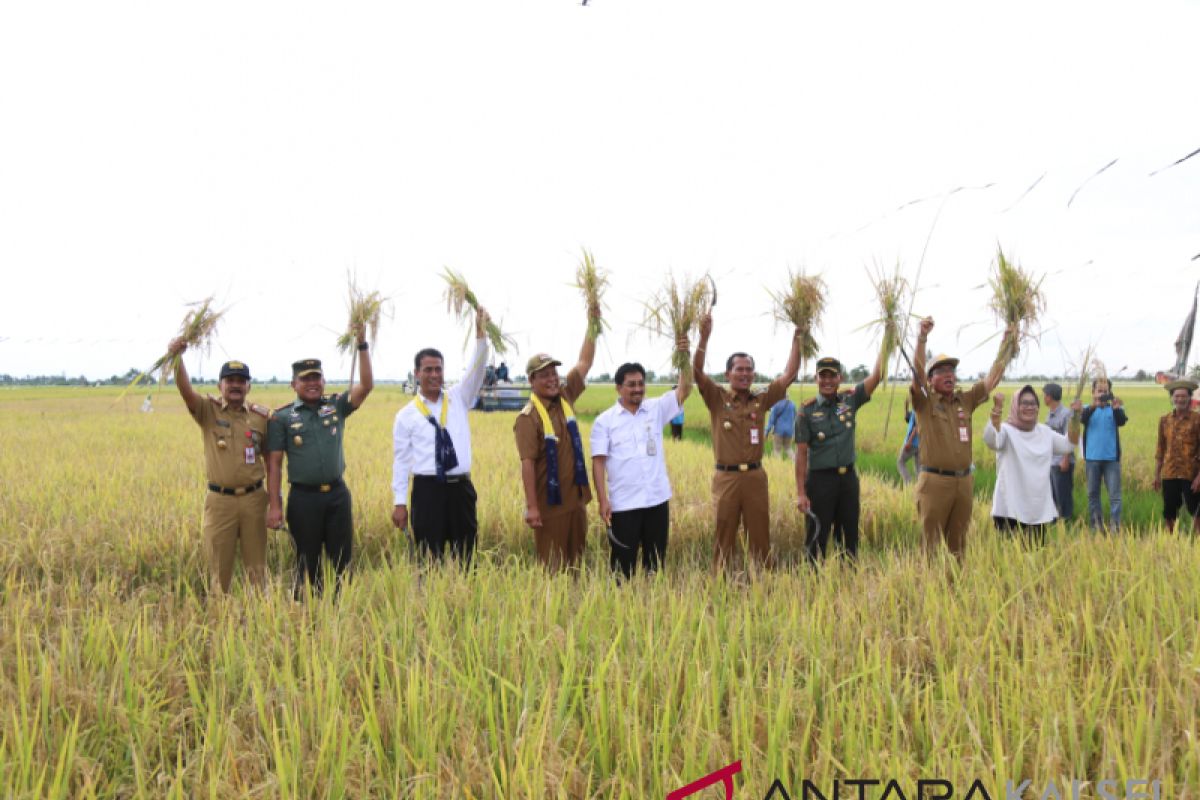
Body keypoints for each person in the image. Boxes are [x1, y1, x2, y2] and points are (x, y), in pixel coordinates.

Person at [266, 328, 373, 595]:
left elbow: (367, 385)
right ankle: (308, 616)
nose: (313, 383)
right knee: (307, 562)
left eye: (317, 378)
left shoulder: (335, 406)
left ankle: (340, 611)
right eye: (305, 379)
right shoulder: (282, 418)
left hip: (337, 495)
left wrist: (361, 345)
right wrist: (275, 506)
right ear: (294, 384)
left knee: (342, 560)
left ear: (324, 380)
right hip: (304, 500)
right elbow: (274, 466)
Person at [692, 311, 803, 570]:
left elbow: (790, 373)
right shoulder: (717, 398)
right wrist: (703, 337)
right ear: (728, 373)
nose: (745, 374)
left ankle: (765, 582)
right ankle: (719, 585)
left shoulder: (761, 399)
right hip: (726, 478)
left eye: (749, 369)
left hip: (755, 478)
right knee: (723, 535)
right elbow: (696, 372)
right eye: (739, 370)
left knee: (760, 534)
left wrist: (797, 337)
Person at [167, 342, 272, 593]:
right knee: (218, 571)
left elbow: (270, 458)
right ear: (219, 385)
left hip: (254, 500)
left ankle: (259, 623)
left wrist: (275, 500)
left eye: (241, 380)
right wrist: (176, 358)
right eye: (230, 380)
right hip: (220, 501)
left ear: (249, 386)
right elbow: (185, 391)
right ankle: (219, 622)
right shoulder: (208, 411)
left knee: (257, 570)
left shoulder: (260, 417)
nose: (235, 385)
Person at [392, 308, 490, 565]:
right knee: (428, 558)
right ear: (416, 373)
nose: (434, 375)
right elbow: (401, 461)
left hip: (460, 490)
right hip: (427, 492)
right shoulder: (407, 415)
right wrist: (399, 502)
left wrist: (481, 336)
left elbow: (477, 369)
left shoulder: (459, 397)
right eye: (428, 369)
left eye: (438, 369)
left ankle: (467, 599)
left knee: (467, 557)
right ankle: (430, 603)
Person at [590, 338, 691, 579]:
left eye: (641, 384)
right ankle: (621, 608)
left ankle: (652, 609)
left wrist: (684, 357)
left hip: (656, 500)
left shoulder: (656, 409)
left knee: (655, 564)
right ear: (618, 388)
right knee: (622, 567)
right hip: (624, 504)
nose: (637, 389)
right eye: (631, 384)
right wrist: (602, 500)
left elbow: (685, 388)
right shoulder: (605, 421)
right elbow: (598, 462)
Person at [909, 317, 1007, 560]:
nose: (949, 375)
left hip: (963, 483)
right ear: (931, 380)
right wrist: (922, 338)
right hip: (934, 483)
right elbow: (917, 374)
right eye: (941, 371)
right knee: (928, 549)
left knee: (959, 548)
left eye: (951, 370)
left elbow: (991, 380)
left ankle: (954, 592)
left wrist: (1007, 344)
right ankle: (926, 594)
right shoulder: (925, 402)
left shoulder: (965, 400)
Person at [513, 314, 599, 571]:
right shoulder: (528, 418)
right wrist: (532, 508)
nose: (552, 379)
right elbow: (527, 464)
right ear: (531, 381)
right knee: (553, 567)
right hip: (550, 505)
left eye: (554, 373)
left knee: (578, 563)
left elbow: (584, 362)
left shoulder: (565, 397)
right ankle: (553, 609)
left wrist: (593, 323)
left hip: (576, 499)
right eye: (544, 375)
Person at [793, 346, 885, 563]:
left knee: (849, 534)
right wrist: (801, 493)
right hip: (820, 481)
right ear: (816, 378)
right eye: (822, 376)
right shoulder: (806, 411)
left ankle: (848, 582)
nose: (827, 381)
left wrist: (886, 337)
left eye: (832, 376)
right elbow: (801, 454)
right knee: (817, 535)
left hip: (848, 480)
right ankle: (813, 582)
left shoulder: (849, 401)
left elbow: (877, 376)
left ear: (839, 378)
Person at [983, 386, 1081, 545]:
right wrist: (996, 409)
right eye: (1024, 403)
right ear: (1015, 406)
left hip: (1038, 510)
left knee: (1035, 558)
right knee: (1010, 561)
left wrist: (1076, 416)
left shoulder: (1044, 432)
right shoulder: (1006, 431)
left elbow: (1069, 444)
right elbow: (992, 440)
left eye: (1033, 403)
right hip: (1010, 509)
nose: (1029, 407)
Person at [1080, 377, 1128, 531]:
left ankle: (1115, 526)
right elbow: (1082, 419)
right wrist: (1094, 406)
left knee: (1115, 495)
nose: (1102, 394)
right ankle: (1096, 525)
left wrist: (1116, 408)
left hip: (1111, 460)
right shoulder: (1088, 409)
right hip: (1092, 459)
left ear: (1110, 393)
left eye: (1105, 391)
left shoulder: (1114, 409)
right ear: (1093, 392)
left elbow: (1121, 421)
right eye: (1099, 391)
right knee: (1093, 494)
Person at [1153, 379, 1200, 533]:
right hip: (1170, 473)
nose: (1180, 399)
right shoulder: (1164, 420)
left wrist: (1199, 477)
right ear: (1172, 398)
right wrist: (1156, 476)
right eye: (1177, 396)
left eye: (1183, 396)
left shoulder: (1197, 420)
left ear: (1189, 398)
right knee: (1169, 511)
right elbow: (1160, 449)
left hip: (1191, 474)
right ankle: (1172, 542)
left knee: (1196, 510)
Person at [1042, 382, 1075, 522]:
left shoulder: (1066, 414)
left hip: (1062, 462)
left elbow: (1070, 438)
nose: (1043, 398)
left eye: (1044, 395)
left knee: (1063, 495)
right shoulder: (1049, 415)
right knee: (1053, 494)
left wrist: (1066, 459)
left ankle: (1066, 521)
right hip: (1051, 461)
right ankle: (1055, 521)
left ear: (1049, 397)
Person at [896, 399, 920, 483]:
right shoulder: (917, 409)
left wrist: (909, 442)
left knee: (900, 462)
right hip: (920, 444)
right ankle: (920, 488)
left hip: (912, 442)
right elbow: (908, 418)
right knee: (918, 467)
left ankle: (908, 483)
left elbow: (916, 428)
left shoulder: (918, 411)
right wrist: (906, 407)